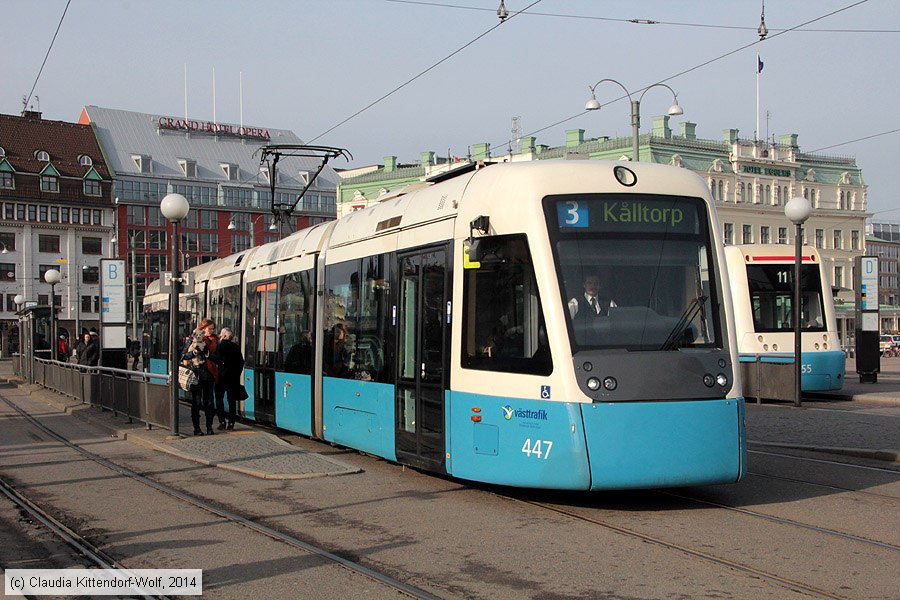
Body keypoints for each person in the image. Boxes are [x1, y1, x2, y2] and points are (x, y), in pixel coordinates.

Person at [181, 318, 219, 436]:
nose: (211, 331)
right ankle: (196, 428)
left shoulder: (215, 341)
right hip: (196, 374)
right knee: (196, 402)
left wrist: (208, 353)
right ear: (202, 329)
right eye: (209, 329)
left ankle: (209, 427)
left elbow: (219, 358)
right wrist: (194, 353)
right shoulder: (193, 339)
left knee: (209, 402)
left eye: (213, 329)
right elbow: (183, 356)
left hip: (209, 374)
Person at [215, 327, 244, 430]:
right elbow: (241, 362)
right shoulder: (236, 347)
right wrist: (237, 374)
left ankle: (222, 421)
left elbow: (216, 360)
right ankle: (231, 423)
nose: (220, 336)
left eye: (221, 335)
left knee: (219, 399)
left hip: (221, 377)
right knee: (232, 401)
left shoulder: (220, 346)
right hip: (233, 378)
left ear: (225, 336)